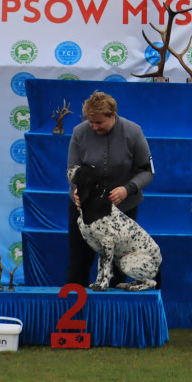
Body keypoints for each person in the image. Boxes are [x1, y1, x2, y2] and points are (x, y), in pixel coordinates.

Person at [66, 91, 154, 287]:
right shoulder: (79, 133)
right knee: (79, 260)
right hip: (83, 208)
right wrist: (75, 192)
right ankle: (71, 305)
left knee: (117, 263)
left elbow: (147, 171)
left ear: (113, 115)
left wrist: (128, 188)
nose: (94, 126)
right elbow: (72, 170)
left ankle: (114, 314)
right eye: (90, 121)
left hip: (122, 208)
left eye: (99, 122)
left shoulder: (134, 132)